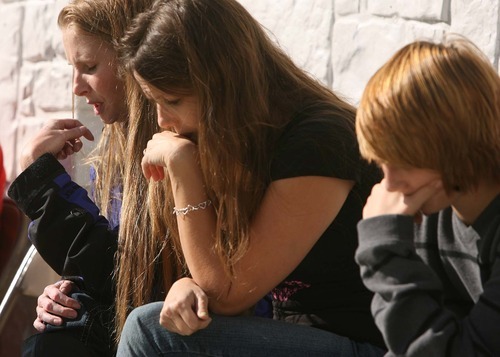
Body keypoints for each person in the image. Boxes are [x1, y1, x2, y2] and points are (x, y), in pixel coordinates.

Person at [115, 0, 385, 355]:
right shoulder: (246, 142)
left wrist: (182, 168)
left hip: (368, 343)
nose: (162, 121)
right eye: (154, 102)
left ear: (222, 85)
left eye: (173, 100)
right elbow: (227, 275)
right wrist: (186, 285)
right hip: (299, 335)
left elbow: (227, 294)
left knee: (147, 332)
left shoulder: (319, 140)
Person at [7, 0, 164, 355]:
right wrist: (67, 292)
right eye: (71, 68)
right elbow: (108, 262)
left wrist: (40, 179)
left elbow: (128, 274)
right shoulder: (117, 146)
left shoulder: (173, 146)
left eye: (89, 66)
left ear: (134, 59)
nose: (77, 86)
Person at [354, 35, 500, 356]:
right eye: (381, 162)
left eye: (404, 161)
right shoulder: (429, 208)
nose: (389, 184)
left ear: (454, 146)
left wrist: (383, 251)